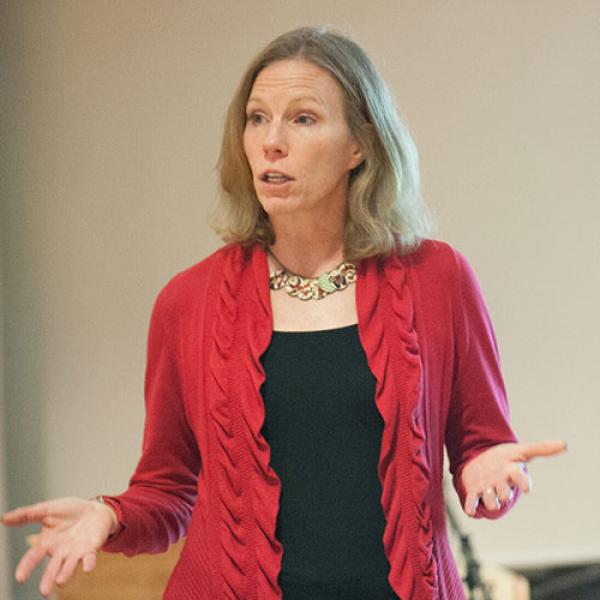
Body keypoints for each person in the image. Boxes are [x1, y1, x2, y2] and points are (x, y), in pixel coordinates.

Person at [1, 25, 566, 600]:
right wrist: (110, 515)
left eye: (303, 118)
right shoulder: (187, 302)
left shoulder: (437, 279)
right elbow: (169, 492)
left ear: (360, 145)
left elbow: (485, 453)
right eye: (256, 118)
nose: (271, 141)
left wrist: (488, 478)